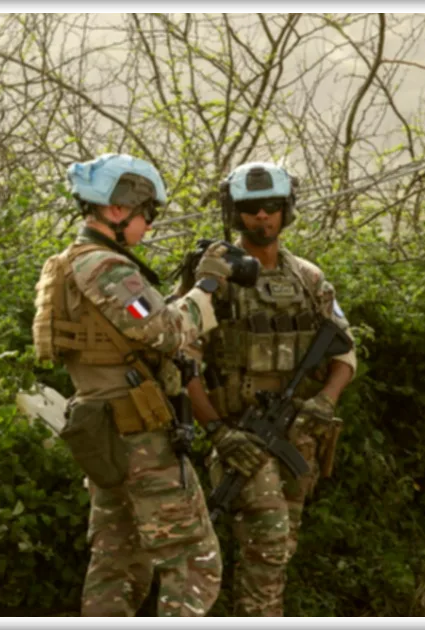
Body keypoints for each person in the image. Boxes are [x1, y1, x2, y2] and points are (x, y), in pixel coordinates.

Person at [31, 153, 256, 616]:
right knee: (193, 563)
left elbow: (135, 327)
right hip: (139, 437)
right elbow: (167, 331)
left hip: (104, 433)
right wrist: (207, 287)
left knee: (118, 563)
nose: (149, 225)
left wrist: (183, 292)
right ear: (116, 209)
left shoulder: (72, 265)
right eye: (146, 213)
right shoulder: (105, 268)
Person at [184, 162, 357, 616]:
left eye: (272, 206)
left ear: (286, 209)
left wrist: (325, 400)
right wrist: (218, 431)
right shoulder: (215, 279)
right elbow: (182, 363)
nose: (262, 216)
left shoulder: (308, 278)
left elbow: (345, 352)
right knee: (268, 541)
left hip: (299, 433)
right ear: (234, 212)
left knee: (282, 545)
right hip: (242, 433)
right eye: (251, 208)